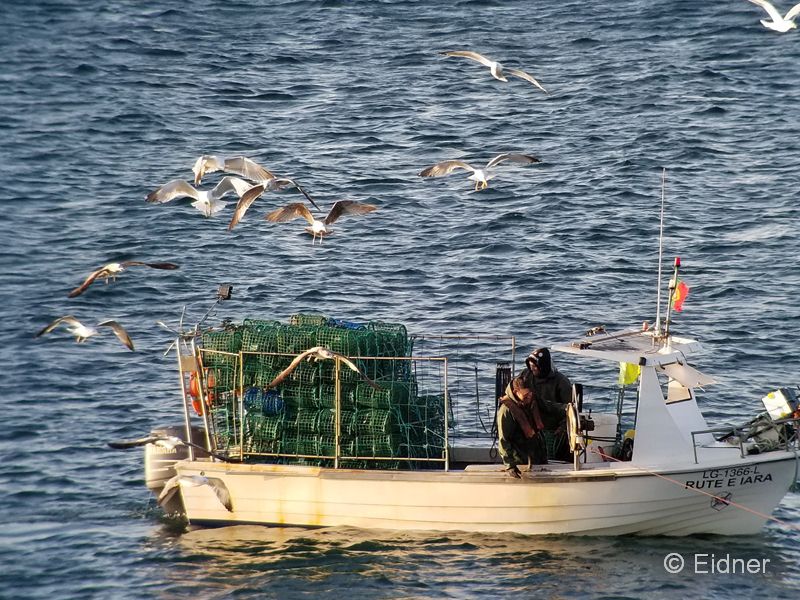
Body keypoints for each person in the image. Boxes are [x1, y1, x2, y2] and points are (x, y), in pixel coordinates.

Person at [522, 347, 573, 460]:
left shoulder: (561, 382)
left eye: (535, 366)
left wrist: (563, 427)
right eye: (530, 366)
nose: (532, 369)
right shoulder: (526, 376)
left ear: (543, 366)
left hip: (553, 431)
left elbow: (571, 409)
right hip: (532, 428)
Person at [496, 375, 548, 478]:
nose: (529, 396)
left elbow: (549, 406)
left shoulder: (529, 402)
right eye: (526, 394)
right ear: (516, 392)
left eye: (530, 393)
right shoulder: (506, 410)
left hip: (536, 457)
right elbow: (503, 440)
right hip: (520, 461)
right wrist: (510, 466)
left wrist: (566, 408)